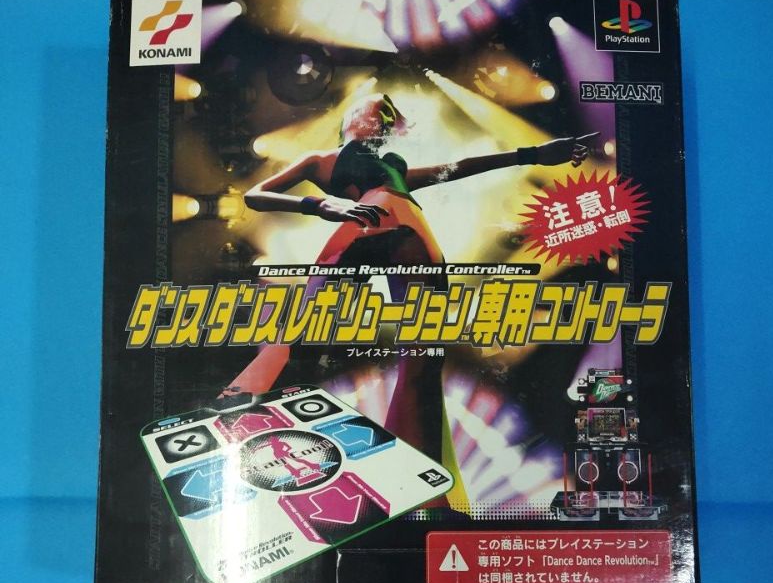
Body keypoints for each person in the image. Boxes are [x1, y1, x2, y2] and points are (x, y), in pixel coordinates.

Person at [229, 93, 596, 511]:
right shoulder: (321, 161)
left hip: (415, 238)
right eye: (374, 111)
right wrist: (321, 205)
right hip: (361, 228)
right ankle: (241, 425)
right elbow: (256, 195)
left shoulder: (397, 169)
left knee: (423, 361)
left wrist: (534, 154)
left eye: (387, 116)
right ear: (348, 119)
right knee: (299, 332)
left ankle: (414, 486)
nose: (381, 120)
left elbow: (458, 167)